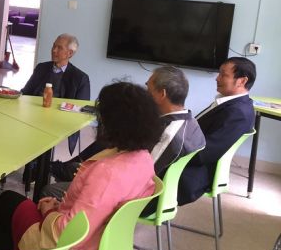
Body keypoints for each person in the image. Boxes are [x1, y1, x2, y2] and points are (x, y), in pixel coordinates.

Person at [0, 82, 164, 250]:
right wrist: (62, 206)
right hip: (104, 249)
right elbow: (96, 211)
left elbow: (67, 235)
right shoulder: (144, 159)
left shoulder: (108, 173)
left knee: (7, 201)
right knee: (14, 205)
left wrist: (50, 211)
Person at [43, 66, 206, 213]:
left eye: (148, 88)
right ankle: (63, 168)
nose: (145, 93)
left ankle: (59, 174)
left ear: (162, 94)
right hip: (150, 189)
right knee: (102, 150)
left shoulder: (170, 135)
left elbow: (142, 176)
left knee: (50, 190)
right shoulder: (191, 122)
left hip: (136, 200)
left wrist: (97, 173)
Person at [178, 57, 256, 205]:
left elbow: (203, 154)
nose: (217, 78)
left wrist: (170, 151)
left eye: (223, 75)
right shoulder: (232, 104)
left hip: (187, 175)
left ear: (242, 81)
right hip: (188, 163)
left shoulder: (238, 113)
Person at [22, 34, 90, 153]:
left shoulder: (80, 78)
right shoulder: (41, 68)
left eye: (59, 48)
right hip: (33, 118)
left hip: (59, 125)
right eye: (53, 46)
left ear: (70, 53)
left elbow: (81, 111)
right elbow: (25, 92)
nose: (54, 50)